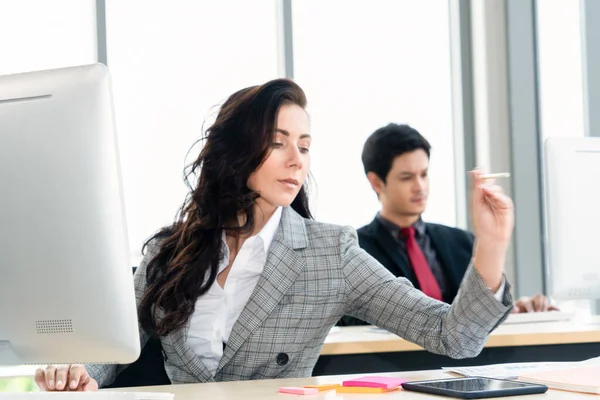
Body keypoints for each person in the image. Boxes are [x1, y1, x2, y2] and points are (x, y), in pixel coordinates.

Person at [35, 79, 514, 391]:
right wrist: (80, 372)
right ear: (235, 150)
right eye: (278, 142)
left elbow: (453, 335)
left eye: (304, 146)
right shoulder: (169, 251)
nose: (296, 160)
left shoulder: (331, 254)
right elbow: (116, 350)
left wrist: (490, 246)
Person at [339, 123, 555, 327]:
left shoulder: (461, 242)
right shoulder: (356, 251)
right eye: (407, 178)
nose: (420, 186)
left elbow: (479, 319)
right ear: (376, 182)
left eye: (424, 174)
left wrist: (513, 311)